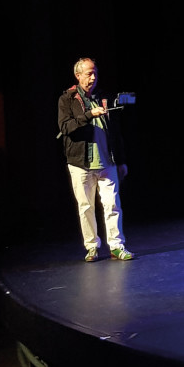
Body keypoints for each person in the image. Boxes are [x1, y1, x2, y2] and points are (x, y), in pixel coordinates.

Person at [57, 57, 133, 262]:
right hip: (81, 164)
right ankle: (91, 247)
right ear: (78, 75)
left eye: (95, 73)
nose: (93, 78)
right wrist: (89, 114)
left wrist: (121, 160)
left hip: (107, 161)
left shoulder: (104, 97)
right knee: (86, 207)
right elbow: (65, 127)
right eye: (89, 74)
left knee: (112, 205)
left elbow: (116, 132)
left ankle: (116, 246)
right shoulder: (67, 99)